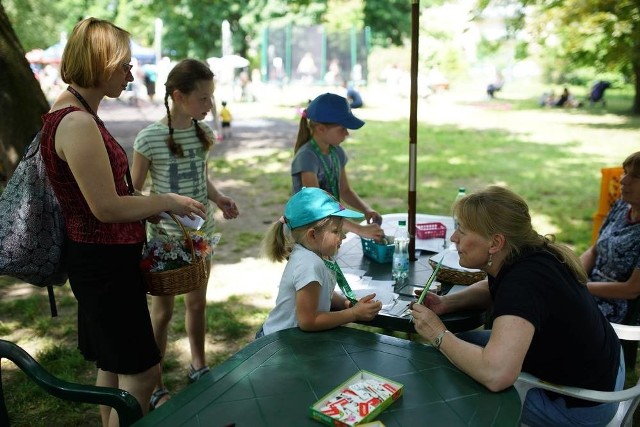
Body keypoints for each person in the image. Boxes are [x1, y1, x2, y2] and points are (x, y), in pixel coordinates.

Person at [40, 18, 207, 426]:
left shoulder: (75, 112)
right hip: (104, 266)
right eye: (124, 65)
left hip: (101, 261)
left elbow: (108, 195)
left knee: (113, 367)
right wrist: (163, 199)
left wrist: (155, 205)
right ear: (100, 63)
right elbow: (105, 208)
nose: (131, 74)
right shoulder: (76, 122)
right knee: (144, 374)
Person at [410, 186, 623, 427]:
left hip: (582, 405)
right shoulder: (524, 251)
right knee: (458, 349)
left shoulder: (523, 283)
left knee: (453, 380)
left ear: (495, 243)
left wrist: (436, 333)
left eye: (462, 230)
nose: (453, 238)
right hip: (606, 369)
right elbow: (491, 287)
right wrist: (447, 303)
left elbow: (496, 375)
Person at [131, 58, 239, 410]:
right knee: (161, 314)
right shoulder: (149, 138)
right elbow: (132, 192)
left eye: (211, 97)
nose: (210, 105)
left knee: (197, 303)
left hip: (200, 239)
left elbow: (199, 176)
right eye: (203, 98)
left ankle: (199, 364)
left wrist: (218, 197)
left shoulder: (202, 133)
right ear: (178, 96)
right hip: (165, 243)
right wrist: (163, 206)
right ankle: (156, 382)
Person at [256, 187, 382, 338]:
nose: (343, 236)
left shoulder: (317, 255)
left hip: (293, 341)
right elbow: (309, 321)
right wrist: (353, 314)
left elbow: (323, 290)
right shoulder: (309, 264)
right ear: (313, 235)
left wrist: (346, 304)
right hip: (276, 345)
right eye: (336, 231)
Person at [291, 93, 383, 241]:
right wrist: (360, 229)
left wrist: (366, 210)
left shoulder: (336, 152)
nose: (347, 134)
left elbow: (345, 190)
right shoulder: (307, 157)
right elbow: (318, 207)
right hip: (309, 236)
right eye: (342, 129)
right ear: (321, 129)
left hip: (330, 231)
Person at [581, 151, 640, 323]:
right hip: (590, 288)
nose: (623, 180)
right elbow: (594, 250)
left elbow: (632, 289)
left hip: (620, 308)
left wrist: (580, 288)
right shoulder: (623, 205)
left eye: (635, 177)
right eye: (625, 172)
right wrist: (572, 275)